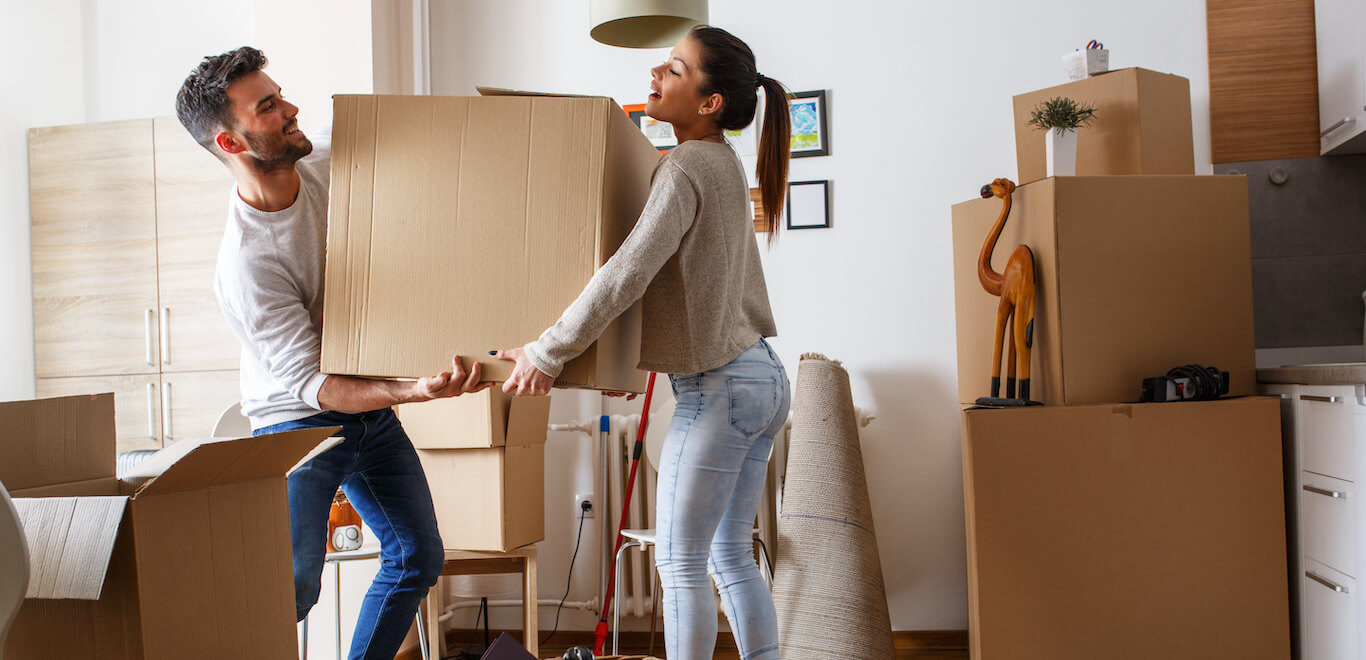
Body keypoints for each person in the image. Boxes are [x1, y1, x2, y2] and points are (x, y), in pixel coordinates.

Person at [175, 47, 487, 660]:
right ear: (230, 143)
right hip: (299, 424)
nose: (291, 110)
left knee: (417, 556)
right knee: (292, 585)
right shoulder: (248, 263)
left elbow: (401, 124)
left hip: (365, 410)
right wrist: (412, 389)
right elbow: (317, 386)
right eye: (267, 107)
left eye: (279, 93)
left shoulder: (319, 156)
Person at [497, 26, 792, 660]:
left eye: (675, 69)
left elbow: (629, 271)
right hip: (761, 378)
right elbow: (679, 286)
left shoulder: (687, 163)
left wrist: (546, 352)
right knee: (731, 557)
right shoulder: (720, 162)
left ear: (710, 102)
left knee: (683, 564)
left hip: (720, 389)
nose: (656, 74)